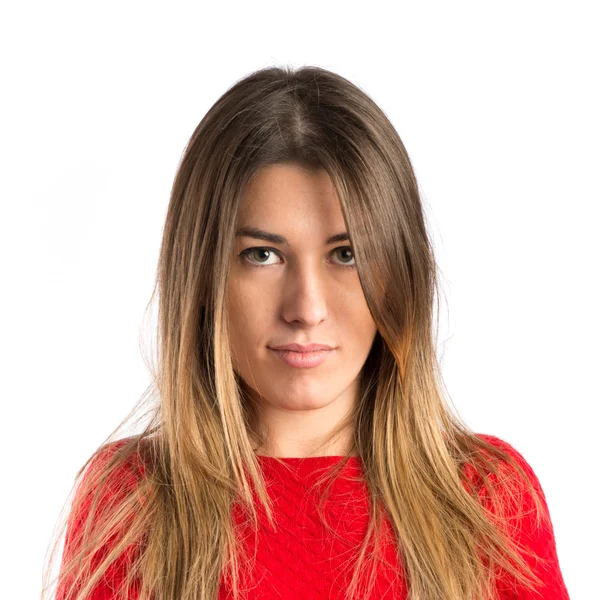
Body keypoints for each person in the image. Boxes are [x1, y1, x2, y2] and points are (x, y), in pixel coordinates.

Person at [43, 65, 570, 600]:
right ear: (201, 277)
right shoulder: (134, 501)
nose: (307, 308)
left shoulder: (488, 499)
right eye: (263, 255)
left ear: (401, 271)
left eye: (347, 255)